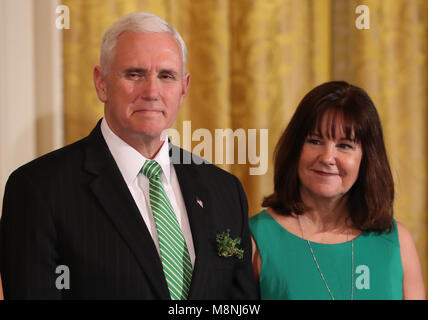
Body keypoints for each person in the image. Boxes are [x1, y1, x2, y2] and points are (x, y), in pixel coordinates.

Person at [0, 12, 258, 300]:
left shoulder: (224, 190)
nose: (151, 91)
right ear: (102, 83)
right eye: (134, 74)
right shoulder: (38, 189)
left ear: (183, 88)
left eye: (166, 76)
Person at [249, 81, 425, 300]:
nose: (326, 158)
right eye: (314, 141)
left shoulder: (398, 241)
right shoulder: (256, 238)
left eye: (345, 145)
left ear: (367, 158)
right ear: (295, 148)